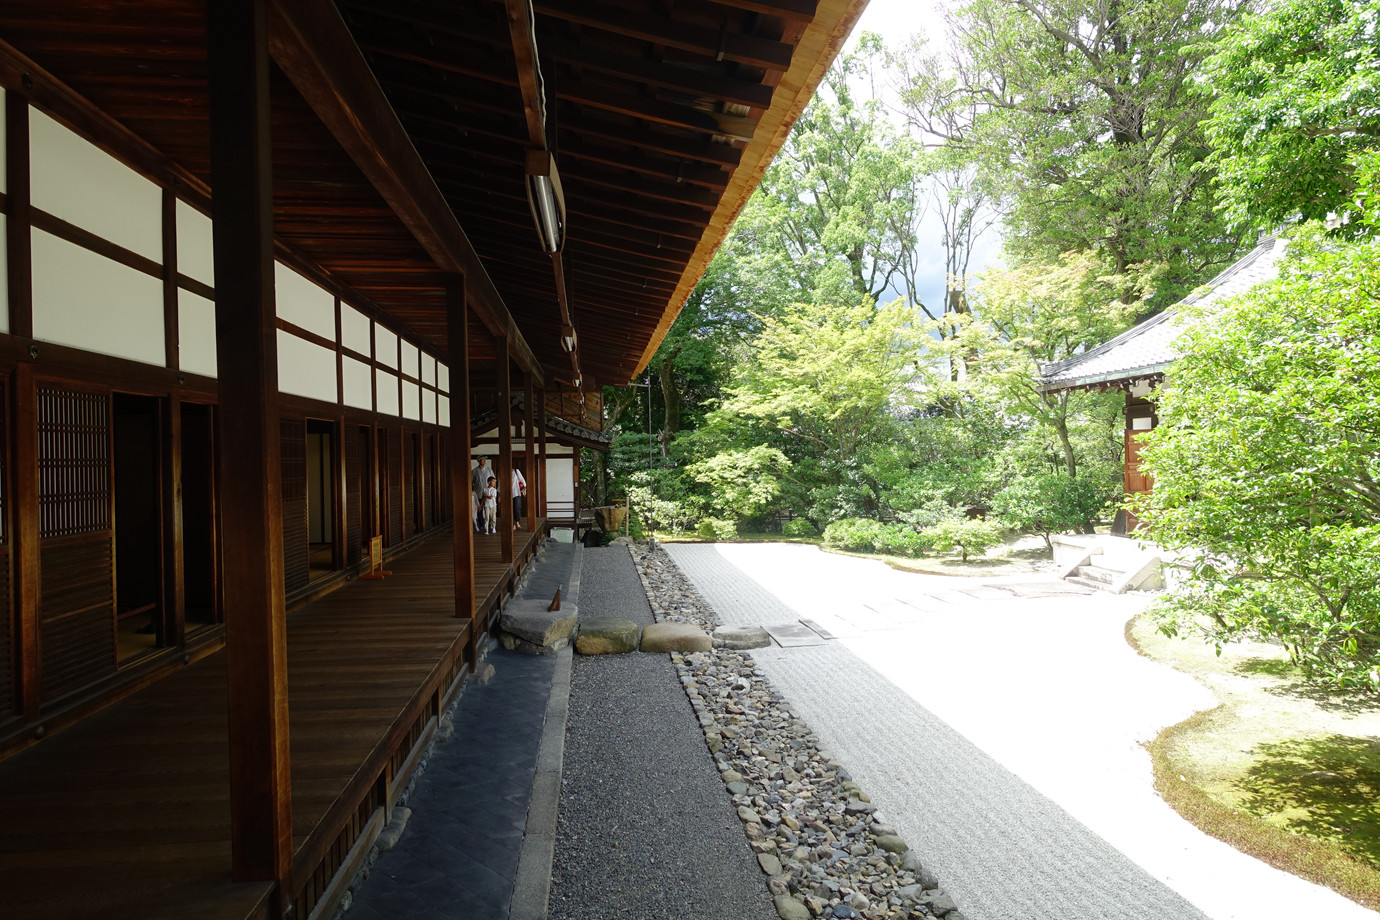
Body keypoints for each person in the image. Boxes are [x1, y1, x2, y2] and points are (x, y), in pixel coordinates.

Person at [471, 456, 492, 532]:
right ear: (478, 461)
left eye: (484, 460)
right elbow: (471, 482)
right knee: (479, 508)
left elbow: (493, 479)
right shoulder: (474, 471)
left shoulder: (489, 469)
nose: (483, 461)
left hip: (487, 492)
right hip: (478, 492)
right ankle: (481, 524)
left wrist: (492, 489)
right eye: (482, 460)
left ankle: (489, 522)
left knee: (488, 507)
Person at [511, 465, 527, 529]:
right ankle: (512, 524)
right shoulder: (504, 471)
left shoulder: (516, 471)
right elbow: (501, 483)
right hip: (507, 493)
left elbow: (522, 479)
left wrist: (525, 488)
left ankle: (517, 522)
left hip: (516, 492)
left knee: (516, 508)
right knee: (509, 509)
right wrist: (500, 495)